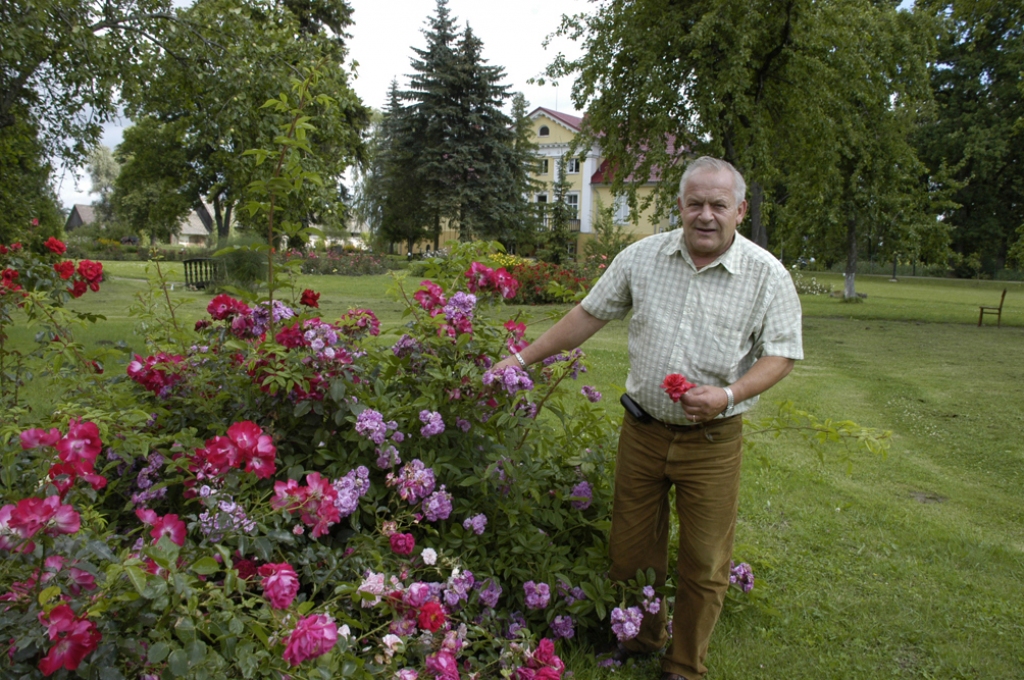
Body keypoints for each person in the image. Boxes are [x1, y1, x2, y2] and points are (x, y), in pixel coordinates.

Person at [494, 156, 803, 680]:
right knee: (631, 553)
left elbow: (781, 354)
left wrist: (728, 395)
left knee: (704, 561)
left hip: (712, 440)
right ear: (679, 206)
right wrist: (521, 359)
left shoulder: (766, 275)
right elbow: (588, 314)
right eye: (695, 203)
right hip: (642, 431)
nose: (706, 215)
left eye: (718, 205)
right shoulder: (643, 257)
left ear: (740, 210)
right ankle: (639, 638)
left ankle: (683, 665)